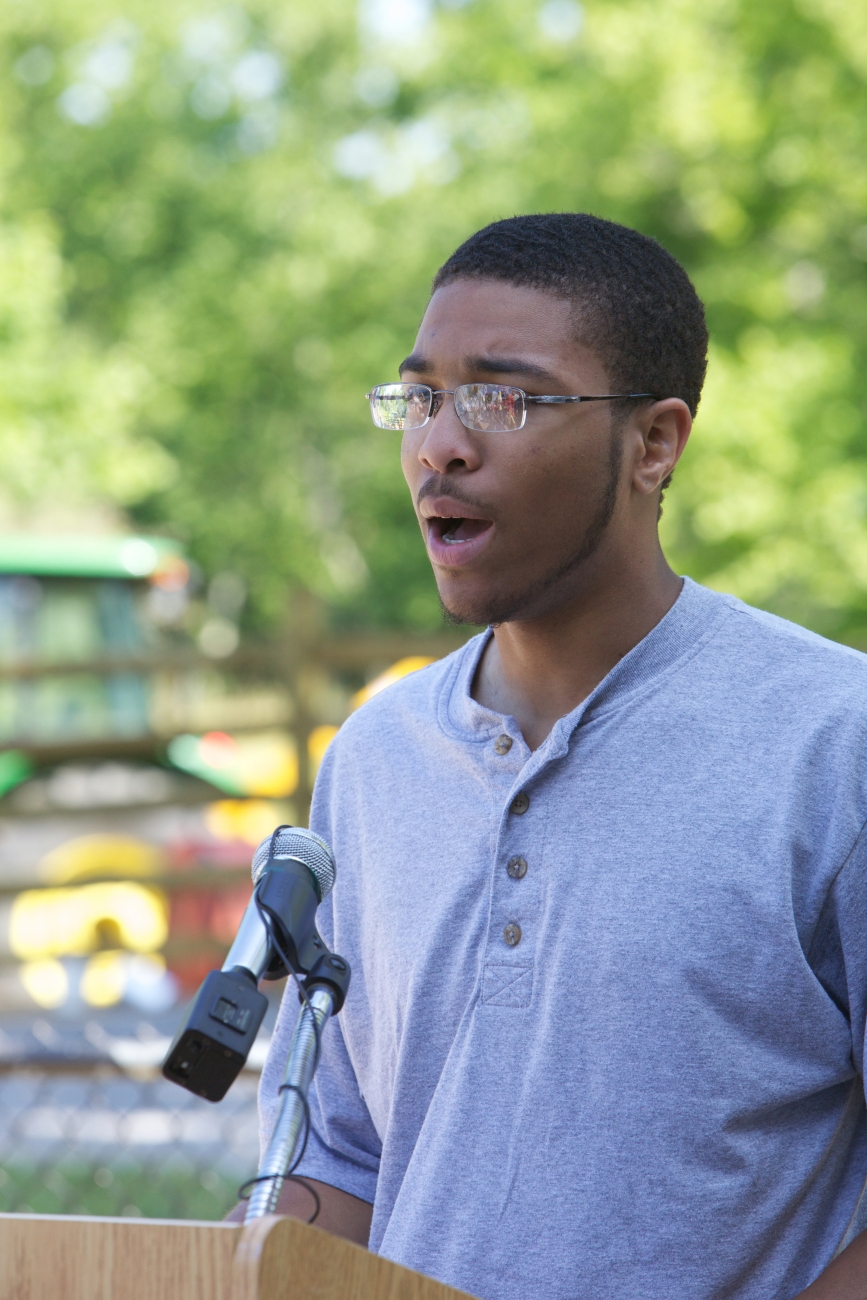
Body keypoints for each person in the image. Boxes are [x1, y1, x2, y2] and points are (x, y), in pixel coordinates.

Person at [254, 214, 867, 1299]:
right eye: (420, 398)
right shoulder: (374, 759)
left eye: (502, 398)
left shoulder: (833, 740)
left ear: (654, 444)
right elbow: (342, 1159)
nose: (440, 444)